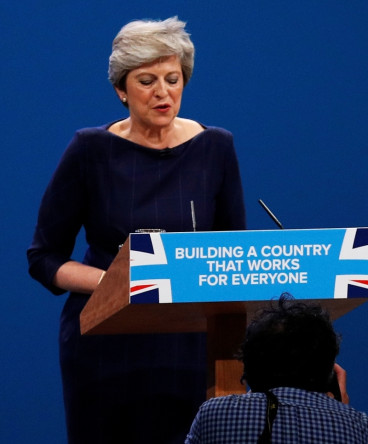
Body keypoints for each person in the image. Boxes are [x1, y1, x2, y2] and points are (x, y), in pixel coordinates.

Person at [27, 17, 246, 444]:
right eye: (147, 81)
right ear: (121, 90)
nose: (163, 92)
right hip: (106, 342)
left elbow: (231, 254)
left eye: (173, 78)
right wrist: (120, 283)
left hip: (191, 343)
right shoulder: (89, 149)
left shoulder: (216, 147)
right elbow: (44, 258)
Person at [186, 294, 368, 443]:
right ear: (330, 371)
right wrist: (342, 411)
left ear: (249, 365)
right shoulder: (365, 430)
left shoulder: (215, 415)